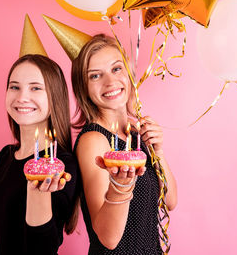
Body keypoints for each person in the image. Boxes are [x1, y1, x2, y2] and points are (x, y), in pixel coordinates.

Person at [71, 34, 178, 254]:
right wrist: (121, 186)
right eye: (95, 76)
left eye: (116, 69)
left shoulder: (136, 133)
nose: (110, 82)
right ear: (84, 88)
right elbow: (108, 239)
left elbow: (170, 201)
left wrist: (158, 153)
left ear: (129, 74)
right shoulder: (93, 140)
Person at [0, 54, 80, 255]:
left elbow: (42, 249)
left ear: (55, 96)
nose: (22, 97)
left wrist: (36, 193)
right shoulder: (6, 156)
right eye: (14, 87)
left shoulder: (61, 165)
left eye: (35, 88)